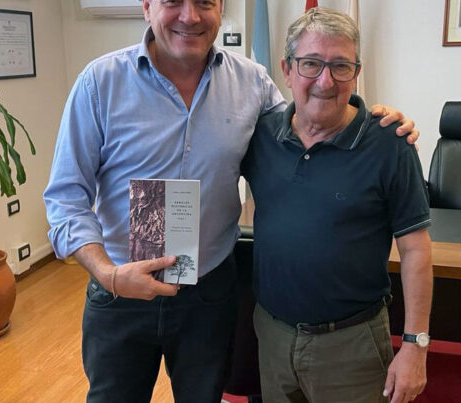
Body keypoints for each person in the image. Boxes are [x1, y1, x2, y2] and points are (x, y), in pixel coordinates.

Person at [43, 1, 418, 402]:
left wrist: (373, 124)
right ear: (148, 7)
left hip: (208, 297)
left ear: (221, 8)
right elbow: (66, 198)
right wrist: (108, 274)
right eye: (173, 1)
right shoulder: (100, 83)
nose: (190, 16)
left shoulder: (252, 83)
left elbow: (305, 130)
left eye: (205, 2)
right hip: (120, 290)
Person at [242, 7, 433, 403]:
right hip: (272, 336)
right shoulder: (261, 135)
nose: (325, 81)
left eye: (341, 66)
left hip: (351, 344)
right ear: (287, 70)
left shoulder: (390, 144)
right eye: (311, 63)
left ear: (356, 72)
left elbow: (415, 250)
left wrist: (416, 345)